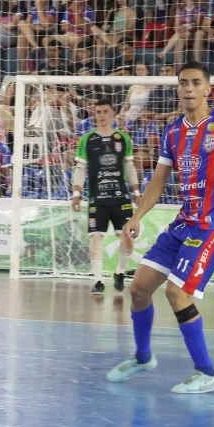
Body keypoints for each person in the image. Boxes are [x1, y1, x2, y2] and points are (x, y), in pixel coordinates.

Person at [108, 61, 214, 394]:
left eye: (196, 82)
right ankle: (142, 357)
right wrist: (137, 216)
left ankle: (207, 373)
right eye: (183, 82)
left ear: (208, 89)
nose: (188, 88)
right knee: (138, 290)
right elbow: (158, 180)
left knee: (176, 293)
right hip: (184, 223)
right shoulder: (173, 132)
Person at [72, 98, 139, 293]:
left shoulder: (123, 138)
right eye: (98, 112)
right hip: (97, 199)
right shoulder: (87, 139)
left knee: (127, 238)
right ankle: (98, 281)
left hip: (121, 198)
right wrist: (76, 194)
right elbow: (80, 168)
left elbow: (129, 166)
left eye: (105, 111)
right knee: (95, 239)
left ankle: (120, 272)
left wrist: (136, 191)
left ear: (112, 114)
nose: (101, 115)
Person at [157, 0, 203, 65]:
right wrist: (178, 28)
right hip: (182, 34)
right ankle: (180, 67)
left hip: (194, 33)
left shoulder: (199, 8)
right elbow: (176, 25)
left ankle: (163, 53)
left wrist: (186, 28)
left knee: (179, 34)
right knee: (179, 41)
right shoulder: (180, 10)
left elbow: (198, 24)